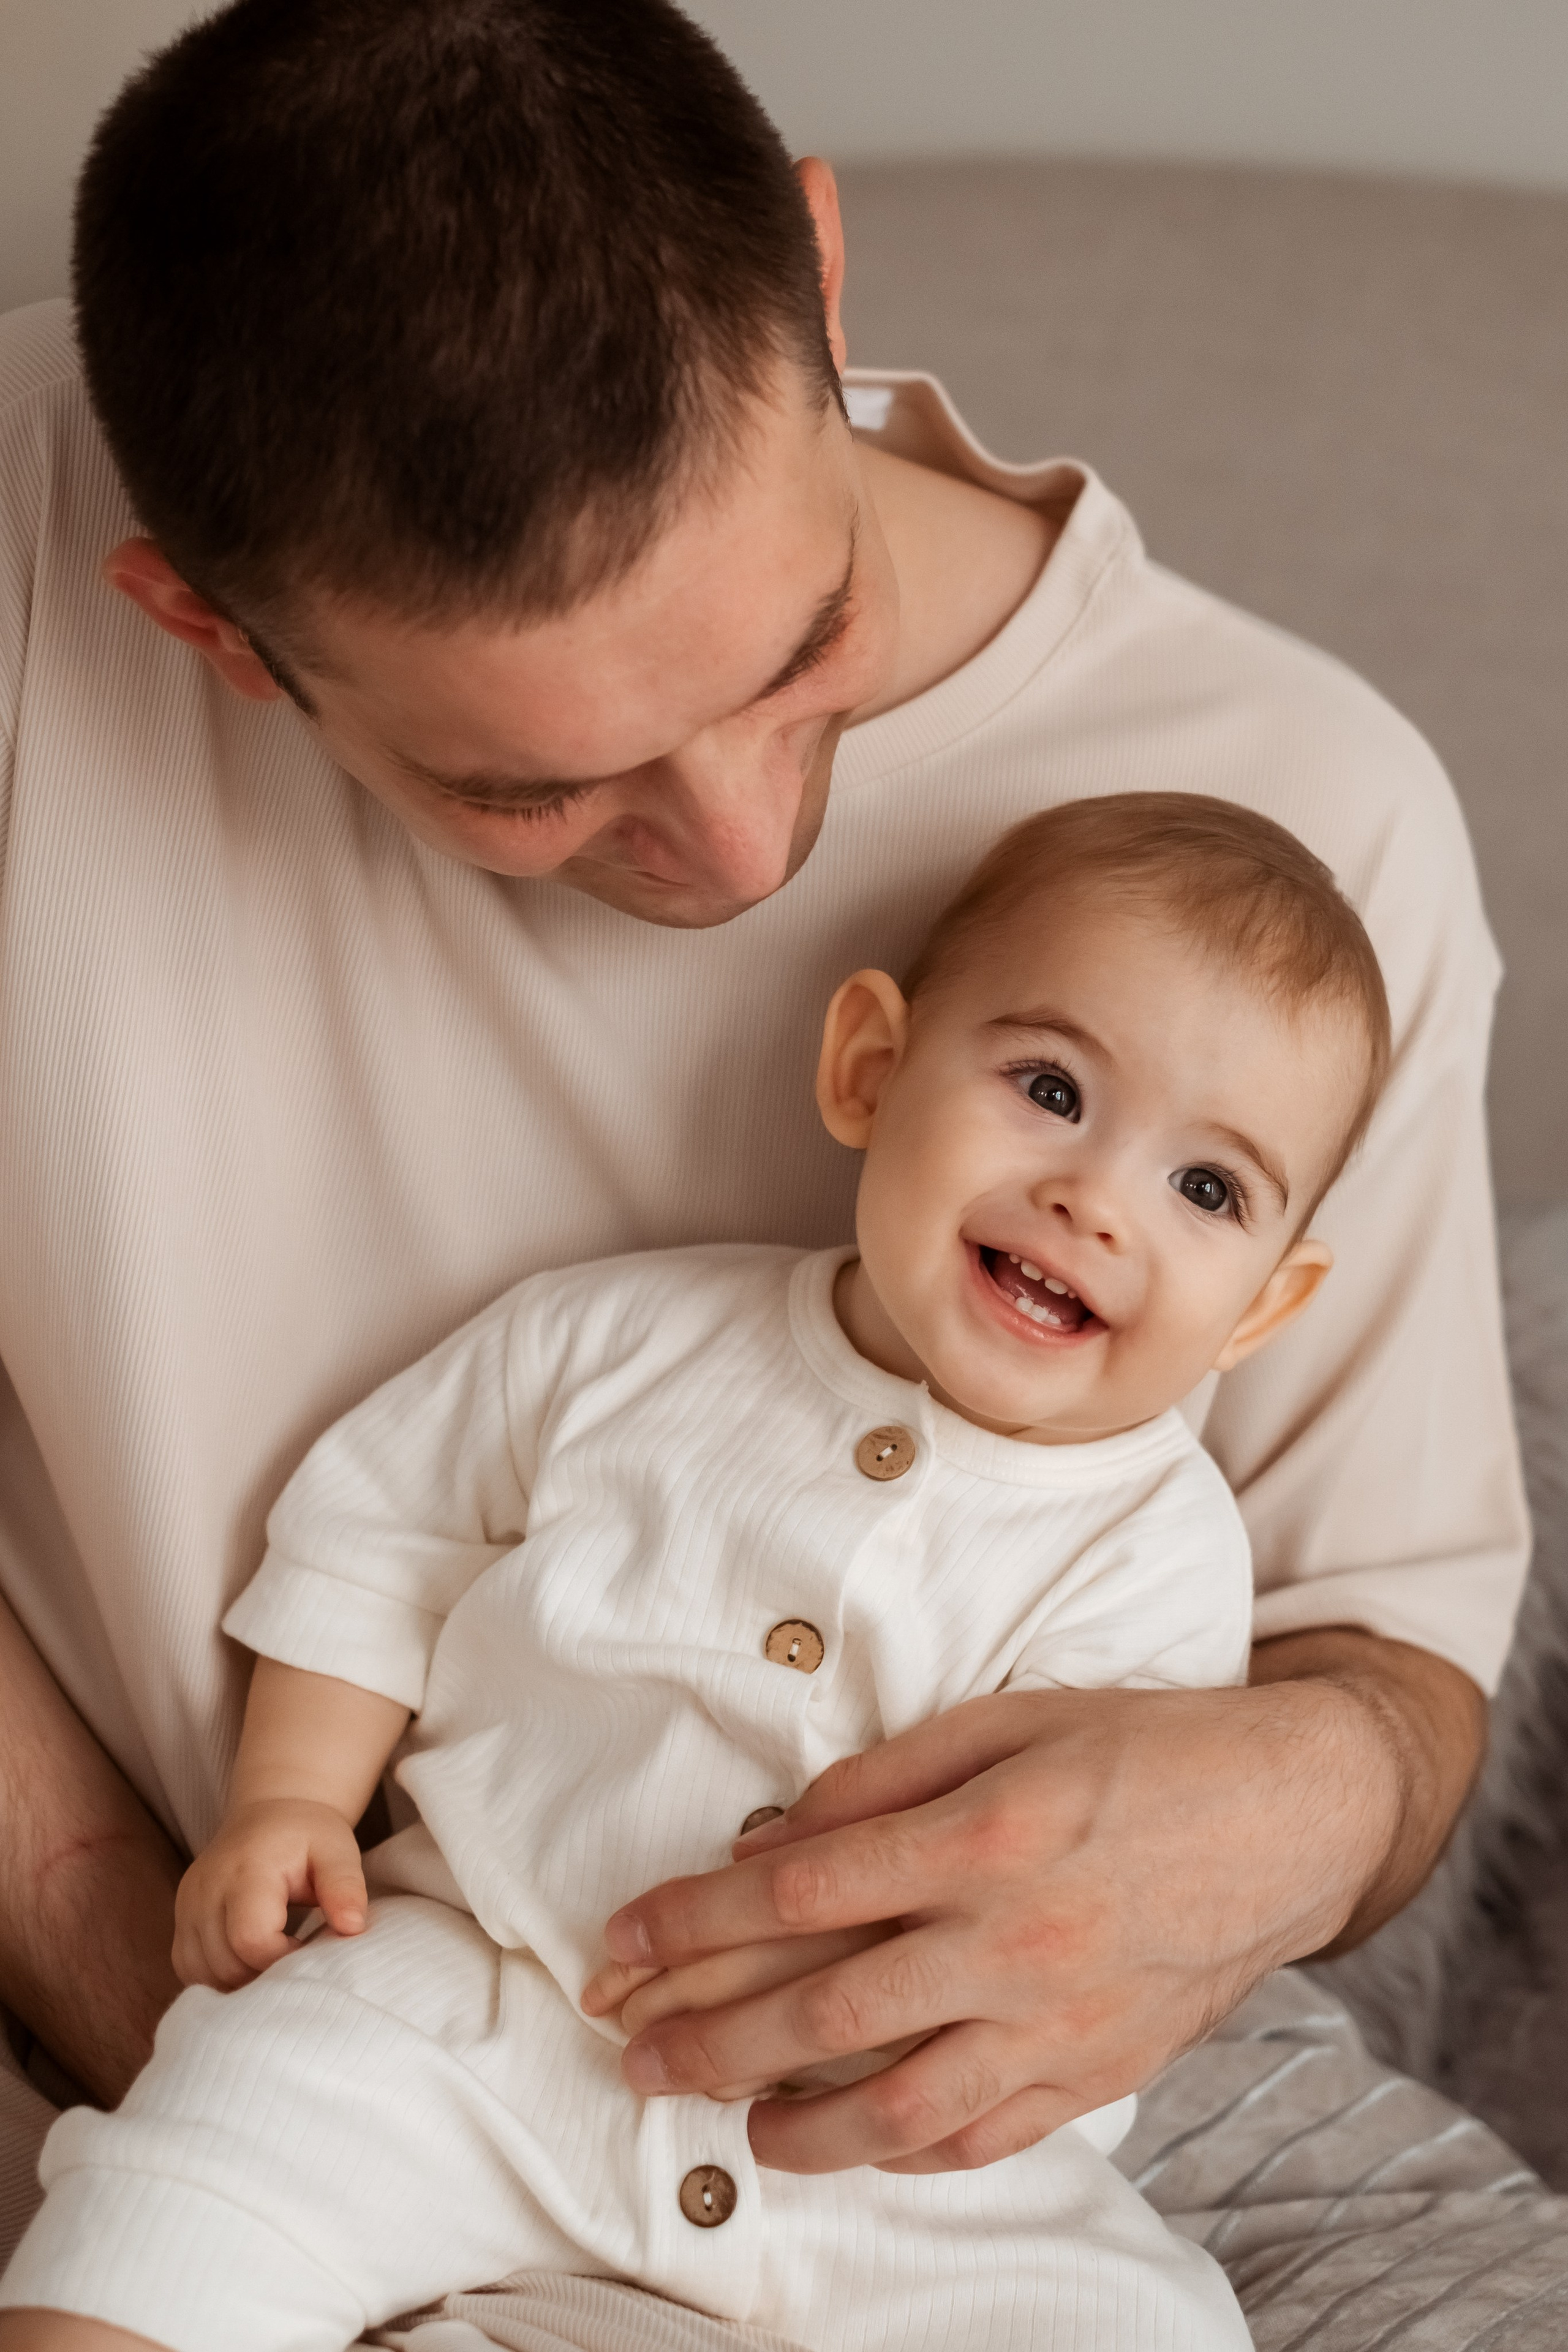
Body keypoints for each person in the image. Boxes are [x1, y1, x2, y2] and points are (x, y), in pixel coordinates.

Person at [0, 0, 1551, 2343]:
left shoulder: (1304, 819)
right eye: (532, 791)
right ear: (203, 629)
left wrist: (1272, 1818)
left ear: (817, 268)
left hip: (988, 2143)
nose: (738, 847)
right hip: (290, 1997)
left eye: (801, 641)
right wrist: (142, 1941)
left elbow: (1396, 1674)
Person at [2, 796, 1394, 2352]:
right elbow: (379, 1538)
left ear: (1265, 1306)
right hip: (472, 2007)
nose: (1099, 1199)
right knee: (188, 2181)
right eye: (1049, 1088)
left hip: (886, 2157)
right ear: (869, 1068)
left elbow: (1076, 1886)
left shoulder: (1158, 1551)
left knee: (1143, 2325)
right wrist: (290, 1803)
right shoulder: (608, 1341)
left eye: (1206, 1190)